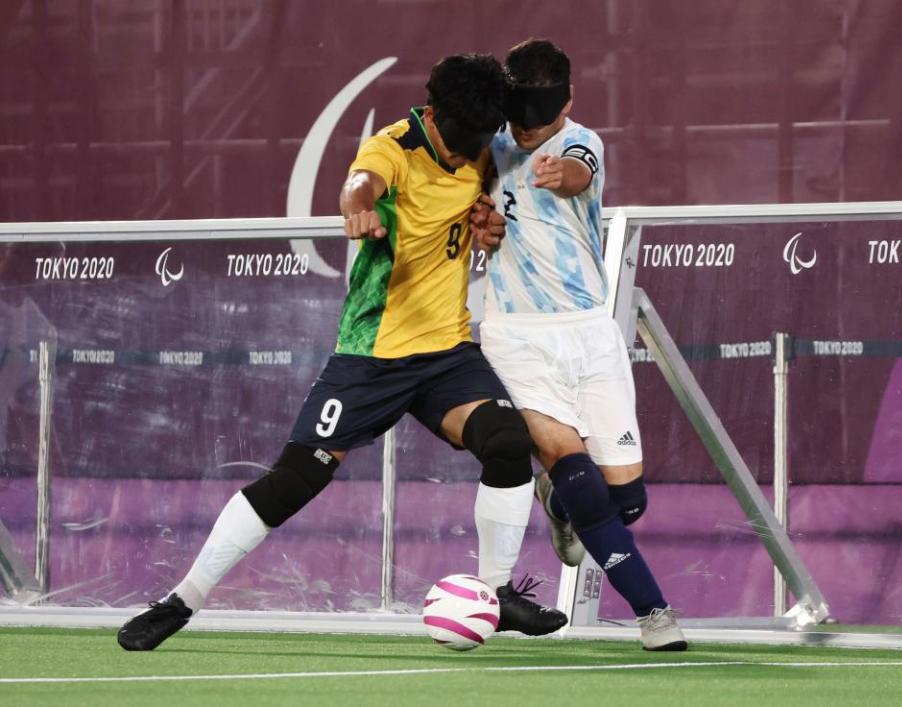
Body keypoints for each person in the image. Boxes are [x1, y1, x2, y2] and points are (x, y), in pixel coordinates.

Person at [117, 52, 566, 651]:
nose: (464, 155)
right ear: (431, 114)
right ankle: (181, 600)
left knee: (507, 443)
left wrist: (487, 223)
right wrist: (357, 207)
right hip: (370, 357)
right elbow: (362, 183)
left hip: (447, 354)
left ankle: (497, 593)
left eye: (475, 144)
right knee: (294, 480)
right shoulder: (392, 147)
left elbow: (485, 207)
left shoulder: (482, 143)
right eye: (457, 143)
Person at [476, 39, 687, 651]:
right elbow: (468, 203)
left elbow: (577, 174)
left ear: (568, 100)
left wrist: (560, 174)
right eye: (519, 114)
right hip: (515, 335)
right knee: (581, 475)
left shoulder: (583, 143)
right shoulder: (489, 145)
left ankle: (558, 504)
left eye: (538, 114)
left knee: (627, 498)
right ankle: (655, 616)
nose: (526, 127)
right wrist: (477, 220)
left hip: (589, 332)